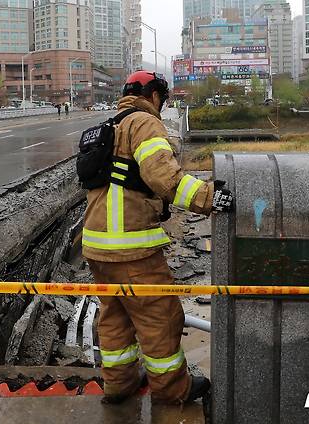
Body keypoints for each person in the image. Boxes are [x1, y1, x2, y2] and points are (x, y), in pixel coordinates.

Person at [81, 70, 234, 405]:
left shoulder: (111, 126)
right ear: (153, 96)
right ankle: (172, 391)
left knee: (115, 316)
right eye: (161, 101)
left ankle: (119, 384)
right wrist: (210, 198)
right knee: (160, 316)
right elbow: (163, 176)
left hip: (95, 246)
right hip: (130, 248)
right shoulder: (144, 123)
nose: (162, 108)